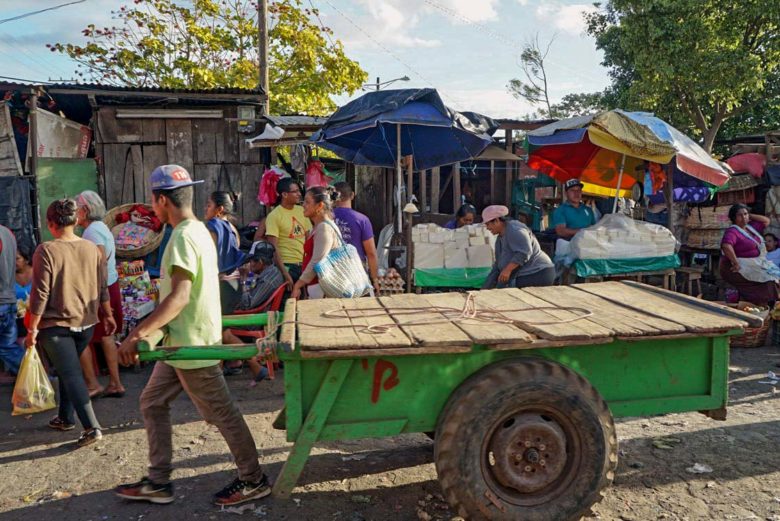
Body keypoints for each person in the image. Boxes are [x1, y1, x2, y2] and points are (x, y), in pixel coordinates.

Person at [115, 164, 269, 507]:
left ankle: (253, 479)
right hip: (181, 341)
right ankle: (158, 481)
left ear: (160, 200)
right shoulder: (199, 230)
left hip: (192, 345)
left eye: (153, 203)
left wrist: (138, 332)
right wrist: (153, 336)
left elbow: (180, 296)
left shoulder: (184, 235)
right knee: (152, 402)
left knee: (222, 414)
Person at [27, 199, 115, 447]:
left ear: (50, 224)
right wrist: (107, 315)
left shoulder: (46, 250)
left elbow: (40, 294)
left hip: (56, 327)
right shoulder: (91, 249)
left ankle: (92, 427)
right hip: (86, 323)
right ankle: (65, 418)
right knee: (69, 371)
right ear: (76, 221)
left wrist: (32, 328)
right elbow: (102, 287)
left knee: (71, 373)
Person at [75, 190, 125, 399]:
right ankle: (115, 383)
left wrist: (99, 296)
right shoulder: (101, 227)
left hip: (99, 289)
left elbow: (99, 264)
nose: (75, 212)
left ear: (85, 210)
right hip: (109, 285)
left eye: (77, 207)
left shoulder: (91, 232)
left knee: (83, 336)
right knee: (106, 335)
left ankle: (94, 384)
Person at [481, 205, 555, 289]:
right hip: (525, 274)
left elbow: (525, 252)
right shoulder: (499, 240)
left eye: (488, 224)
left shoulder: (514, 230)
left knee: (509, 289)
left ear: (497, 220)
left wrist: (507, 270)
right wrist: (483, 290)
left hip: (539, 273)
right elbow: (497, 267)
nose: (487, 228)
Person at [720, 204, 779, 307]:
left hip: (753, 264)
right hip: (733, 267)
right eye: (739, 215)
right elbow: (726, 246)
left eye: (745, 214)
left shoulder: (751, 227)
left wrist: (748, 215)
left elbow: (766, 221)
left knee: (775, 276)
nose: (743, 217)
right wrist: (735, 263)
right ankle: (758, 306)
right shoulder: (732, 231)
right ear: (734, 218)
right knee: (767, 281)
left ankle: (765, 307)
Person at [292, 186, 341, 300]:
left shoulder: (324, 228)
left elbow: (317, 261)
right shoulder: (318, 227)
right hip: (317, 287)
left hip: (323, 288)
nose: (303, 205)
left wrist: (298, 285)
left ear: (320, 206)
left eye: (308, 202)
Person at [332, 181, 379, 293]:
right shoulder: (362, 220)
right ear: (352, 195)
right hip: (356, 269)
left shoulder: (326, 218)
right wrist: (375, 279)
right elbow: (371, 253)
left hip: (332, 270)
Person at [265, 178, 311, 289]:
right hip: (287, 266)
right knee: (288, 302)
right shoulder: (274, 216)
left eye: (299, 191)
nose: (299, 194)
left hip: (304, 265)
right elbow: (274, 248)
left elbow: (309, 238)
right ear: (284, 194)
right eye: (295, 191)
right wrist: (285, 274)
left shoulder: (302, 210)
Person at [205, 191, 247, 314]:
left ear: (219, 209)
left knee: (221, 330)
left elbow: (209, 258)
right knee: (225, 329)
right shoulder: (233, 229)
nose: (205, 208)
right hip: (235, 286)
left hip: (221, 287)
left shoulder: (213, 226)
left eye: (209, 205)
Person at [0, 225, 23, 377]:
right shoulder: (7, 232)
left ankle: (41, 383)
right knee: (8, 346)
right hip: (8, 300)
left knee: (7, 348)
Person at [14, 248, 33, 341]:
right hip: (15, 321)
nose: (13, 262)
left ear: (27, 259)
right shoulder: (7, 276)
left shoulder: (39, 273)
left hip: (35, 319)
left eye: (17, 259)